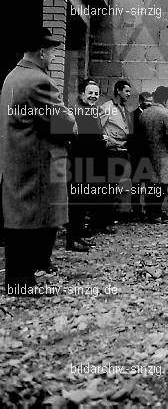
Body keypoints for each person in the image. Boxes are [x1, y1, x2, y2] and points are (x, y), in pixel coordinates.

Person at [0, 27, 77, 295]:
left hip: (17, 160)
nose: (54, 57)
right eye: (53, 52)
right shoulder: (39, 81)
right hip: (35, 162)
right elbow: (64, 124)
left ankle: (19, 278)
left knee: (19, 219)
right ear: (42, 52)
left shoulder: (13, 77)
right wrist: (71, 119)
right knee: (29, 220)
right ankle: (21, 283)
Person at [67, 79, 106, 251]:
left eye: (96, 94)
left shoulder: (93, 111)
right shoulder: (77, 111)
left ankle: (78, 235)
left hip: (89, 164)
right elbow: (81, 140)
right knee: (77, 202)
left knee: (83, 202)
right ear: (82, 94)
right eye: (90, 93)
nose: (93, 96)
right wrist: (100, 141)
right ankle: (72, 239)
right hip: (79, 164)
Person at [138, 86, 168, 223]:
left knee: (150, 184)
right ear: (165, 99)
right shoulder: (167, 114)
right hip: (163, 154)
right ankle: (155, 214)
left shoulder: (144, 113)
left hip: (146, 154)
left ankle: (151, 212)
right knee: (161, 185)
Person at [99, 79, 132, 222]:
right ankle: (103, 219)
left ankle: (109, 217)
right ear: (118, 90)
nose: (129, 94)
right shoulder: (107, 107)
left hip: (122, 151)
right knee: (108, 186)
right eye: (127, 91)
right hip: (111, 152)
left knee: (114, 186)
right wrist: (104, 140)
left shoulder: (123, 109)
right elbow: (98, 127)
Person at [129, 91, 154, 220]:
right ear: (140, 101)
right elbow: (131, 136)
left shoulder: (153, 115)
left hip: (150, 156)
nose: (149, 104)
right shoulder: (133, 116)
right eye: (147, 101)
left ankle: (149, 211)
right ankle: (136, 211)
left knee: (150, 184)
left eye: (151, 101)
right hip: (137, 155)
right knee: (136, 184)